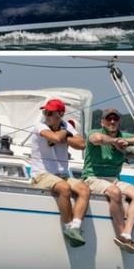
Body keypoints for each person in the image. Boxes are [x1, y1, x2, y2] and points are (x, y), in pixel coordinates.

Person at [82, 108, 134, 254]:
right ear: (102, 121)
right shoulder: (94, 132)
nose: (112, 121)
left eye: (115, 119)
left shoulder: (123, 136)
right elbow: (97, 139)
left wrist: (127, 141)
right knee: (114, 192)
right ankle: (121, 235)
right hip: (92, 178)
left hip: (114, 179)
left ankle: (127, 233)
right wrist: (115, 142)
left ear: (119, 122)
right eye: (109, 119)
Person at [29, 98, 89, 247]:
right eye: (45, 112)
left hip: (62, 175)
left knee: (84, 189)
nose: (46, 115)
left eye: (50, 112)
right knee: (64, 188)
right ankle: (68, 226)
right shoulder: (40, 126)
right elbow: (55, 138)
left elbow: (81, 144)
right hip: (41, 175)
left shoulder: (66, 125)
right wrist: (65, 133)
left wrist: (65, 134)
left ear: (60, 114)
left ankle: (75, 226)